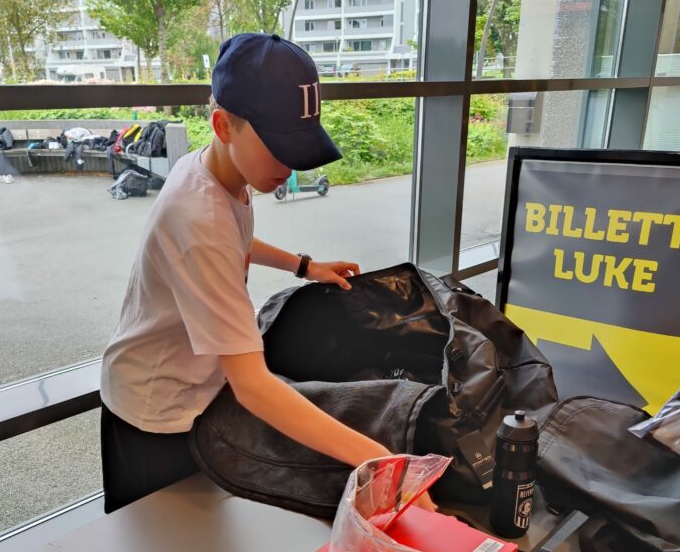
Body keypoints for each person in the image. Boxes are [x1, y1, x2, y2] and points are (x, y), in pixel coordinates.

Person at [100, 31, 437, 519]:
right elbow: (253, 386)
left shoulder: (215, 172)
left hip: (191, 390)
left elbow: (234, 241)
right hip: (153, 412)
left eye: (301, 144)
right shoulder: (198, 218)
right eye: (279, 145)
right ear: (223, 125)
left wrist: (303, 265)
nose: (292, 164)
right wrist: (380, 459)